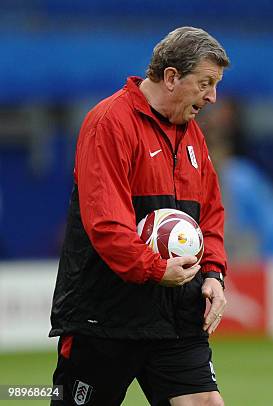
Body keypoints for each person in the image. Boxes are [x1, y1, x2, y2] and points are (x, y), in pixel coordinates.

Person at [50, 27, 230, 406]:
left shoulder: (192, 134)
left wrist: (212, 274)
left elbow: (210, 213)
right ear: (171, 77)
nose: (213, 96)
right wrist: (154, 268)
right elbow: (106, 224)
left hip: (177, 314)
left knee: (205, 402)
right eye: (205, 83)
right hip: (107, 316)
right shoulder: (109, 123)